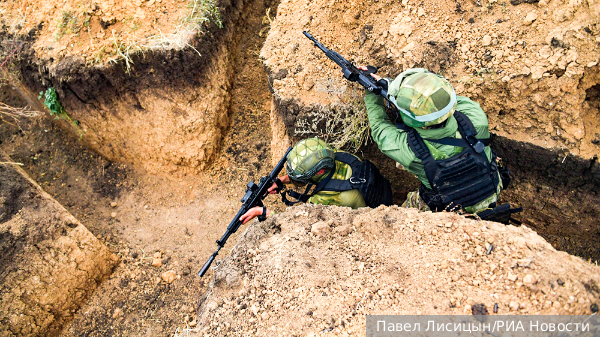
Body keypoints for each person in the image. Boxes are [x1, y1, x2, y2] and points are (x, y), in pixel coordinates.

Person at [360, 67, 514, 216]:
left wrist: (373, 93)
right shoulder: (475, 116)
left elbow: (380, 128)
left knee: (402, 215)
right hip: (491, 189)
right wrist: (400, 92)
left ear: (410, 120)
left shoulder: (411, 152)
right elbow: (442, 100)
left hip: (451, 209)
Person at [240, 137, 393, 224]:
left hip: (371, 221)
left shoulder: (327, 197)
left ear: (319, 171)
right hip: (382, 191)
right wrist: (282, 181)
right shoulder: (339, 156)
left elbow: (300, 222)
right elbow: (316, 171)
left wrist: (264, 212)